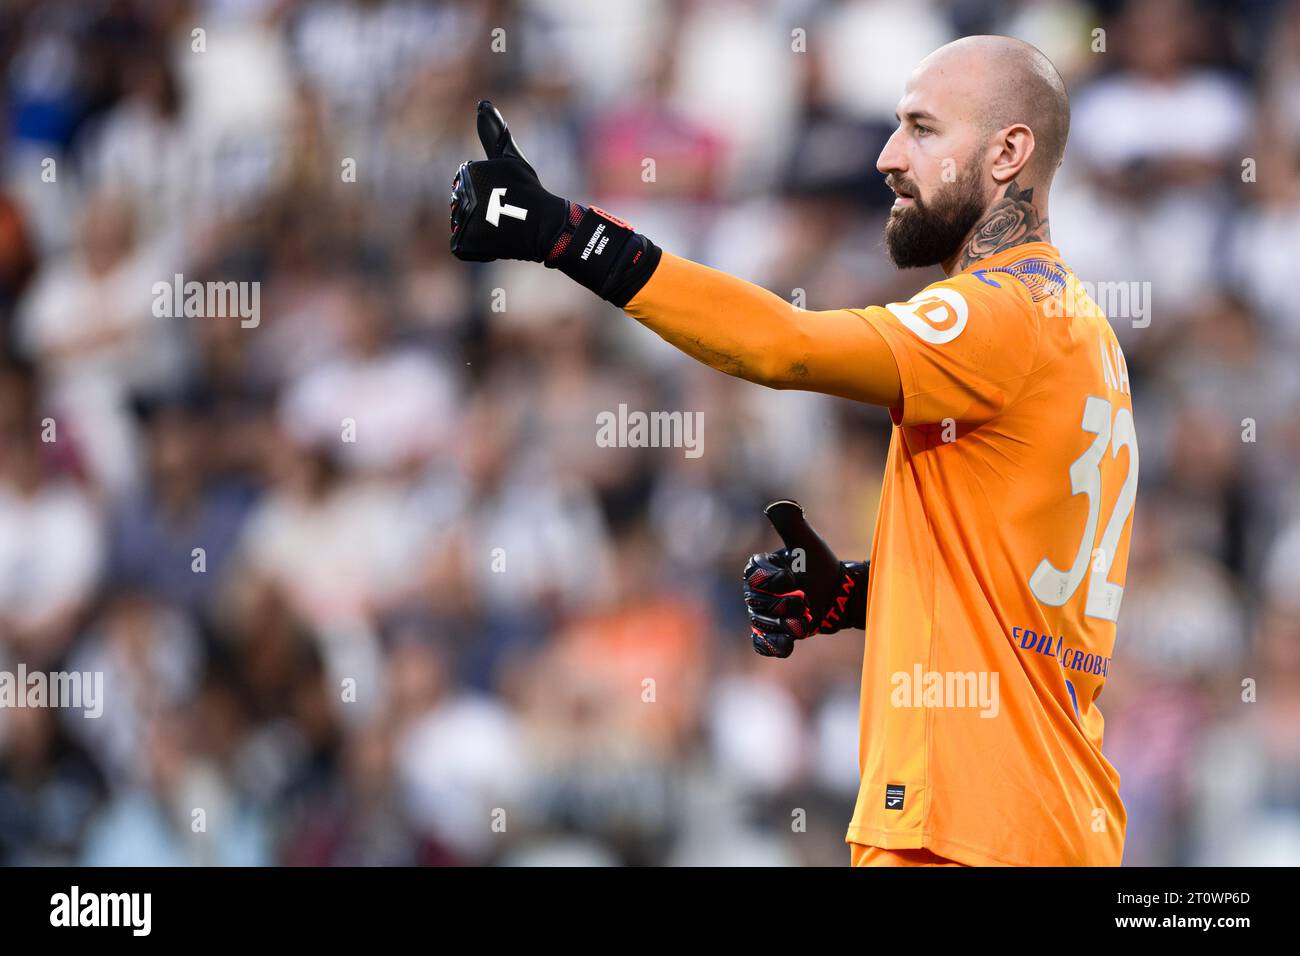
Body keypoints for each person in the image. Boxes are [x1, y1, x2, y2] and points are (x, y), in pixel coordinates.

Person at [448, 35, 1138, 867]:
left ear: (1008, 152)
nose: (888, 157)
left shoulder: (997, 315)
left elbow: (782, 348)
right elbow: (1018, 593)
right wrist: (851, 596)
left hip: (966, 827)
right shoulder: (1080, 330)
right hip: (1044, 817)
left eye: (922, 129)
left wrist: (567, 234)